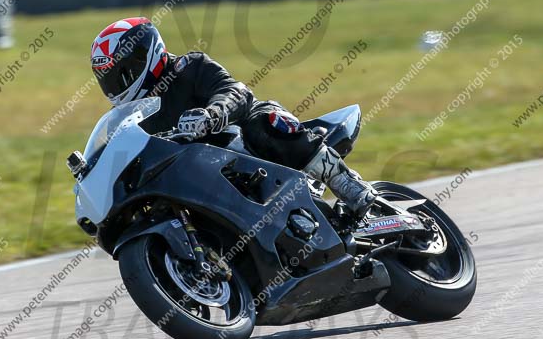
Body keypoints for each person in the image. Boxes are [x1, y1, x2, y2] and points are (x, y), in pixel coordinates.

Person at [90, 17, 377, 219]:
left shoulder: (189, 67)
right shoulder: (133, 117)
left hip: (242, 145)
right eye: (108, 79)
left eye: (121, 73)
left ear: (143, 58)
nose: (115, 84)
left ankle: (346, 184)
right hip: (201, 176)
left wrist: (212, 115)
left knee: (263, 124)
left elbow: (234, 91)